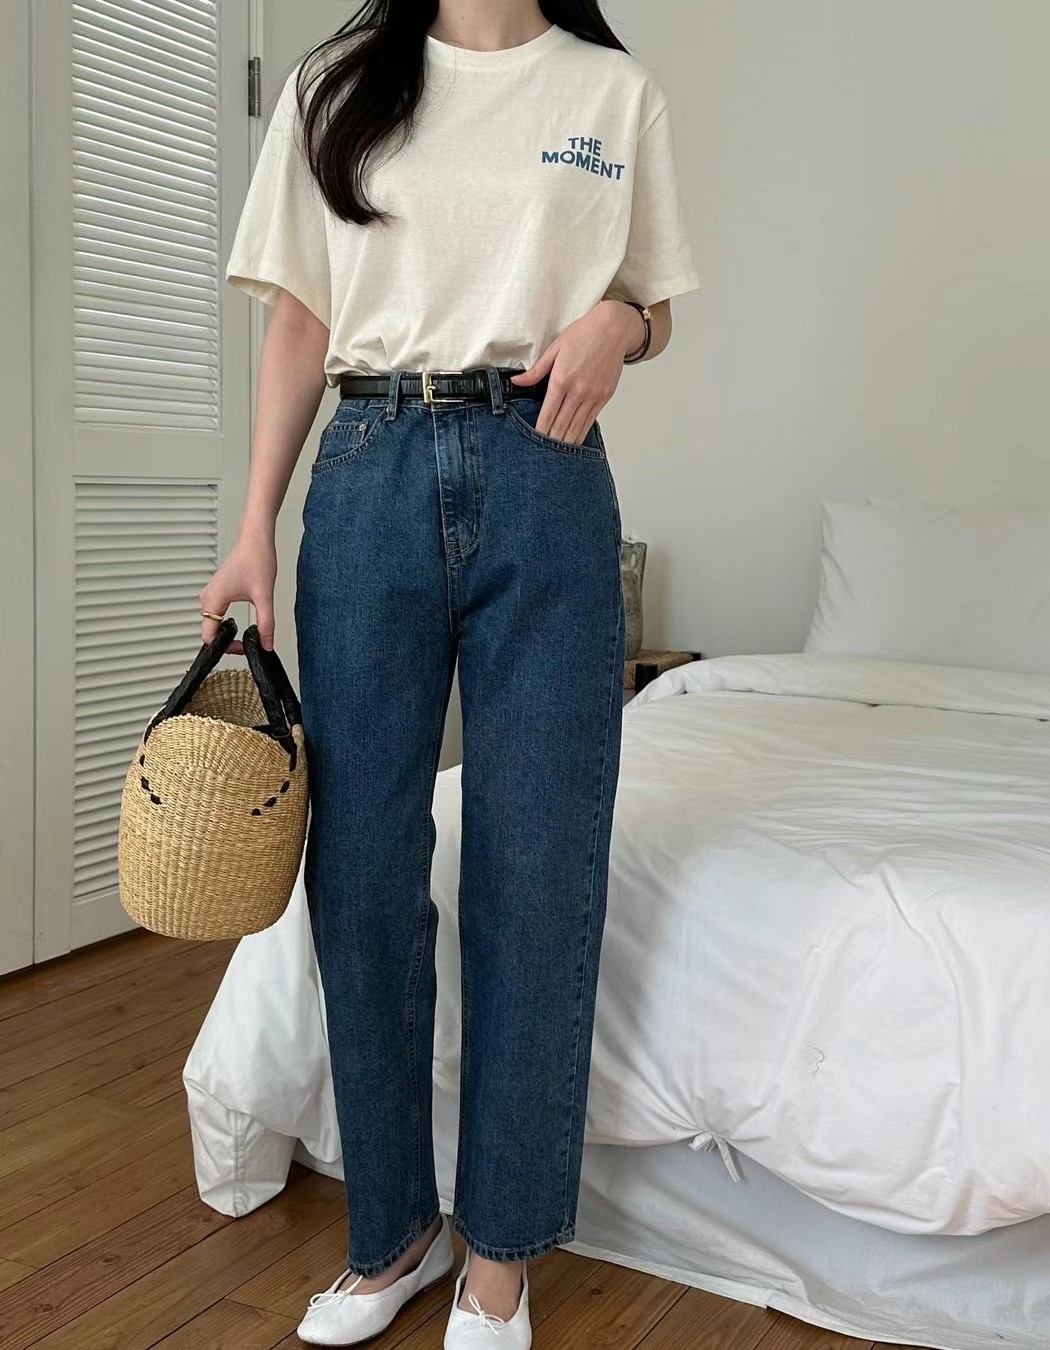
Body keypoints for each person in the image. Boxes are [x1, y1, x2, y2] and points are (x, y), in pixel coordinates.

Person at [200, 1, 698, 1344]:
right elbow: (301, 320)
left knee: (538, 867)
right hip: (366, 471)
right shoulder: (335, 85)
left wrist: (621, 327)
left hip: (548, 472)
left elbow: (652, 301)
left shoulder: (612, 93)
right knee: (360, 869)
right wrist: (254, 524)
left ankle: (501, 1256)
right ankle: (395, 1233)